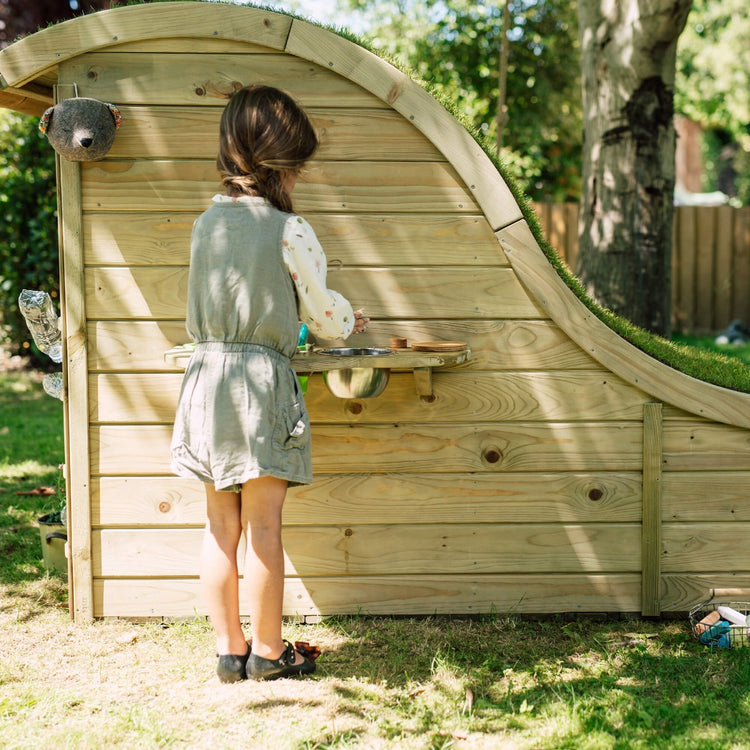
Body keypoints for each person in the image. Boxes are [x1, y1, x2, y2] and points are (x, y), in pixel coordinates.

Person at [170, 84, 368, 682]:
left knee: (218, 526)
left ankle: (230, 653)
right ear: (283, 164)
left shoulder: (206, 224)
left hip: (205, 380)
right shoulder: (289, 228)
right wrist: (348, 317)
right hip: (259, 385)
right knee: (263, 527)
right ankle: (270, 651)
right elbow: (324, 316)